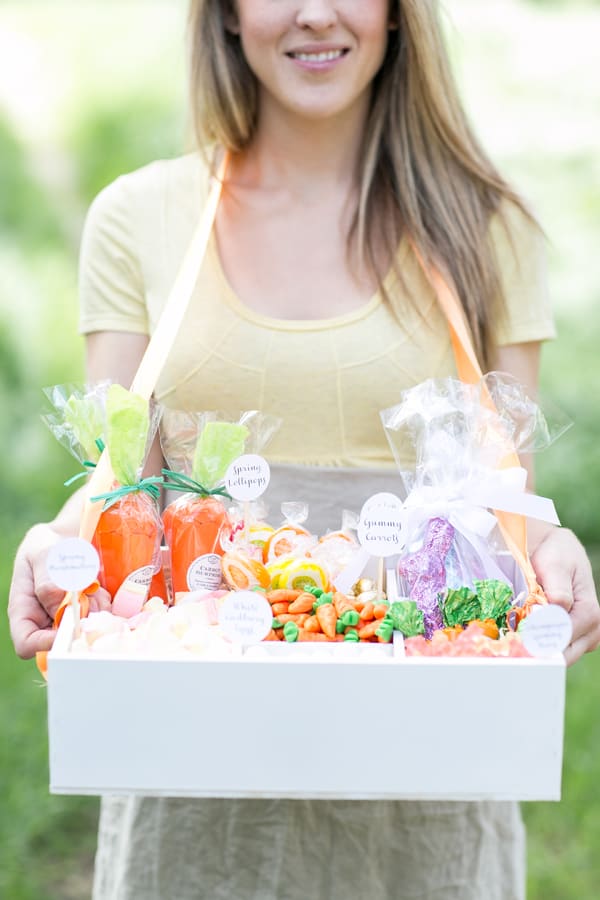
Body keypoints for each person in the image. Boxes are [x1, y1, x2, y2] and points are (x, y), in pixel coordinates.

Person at [8, 1, 600, 898]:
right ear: (227, 14)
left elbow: (503, 492)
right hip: (198, 735)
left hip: (429, 730)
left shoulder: (486, 226)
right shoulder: (139, 216)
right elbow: (121, 470)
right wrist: (58, 540)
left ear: (400, 14)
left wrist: (548, 544)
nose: (315, 13)